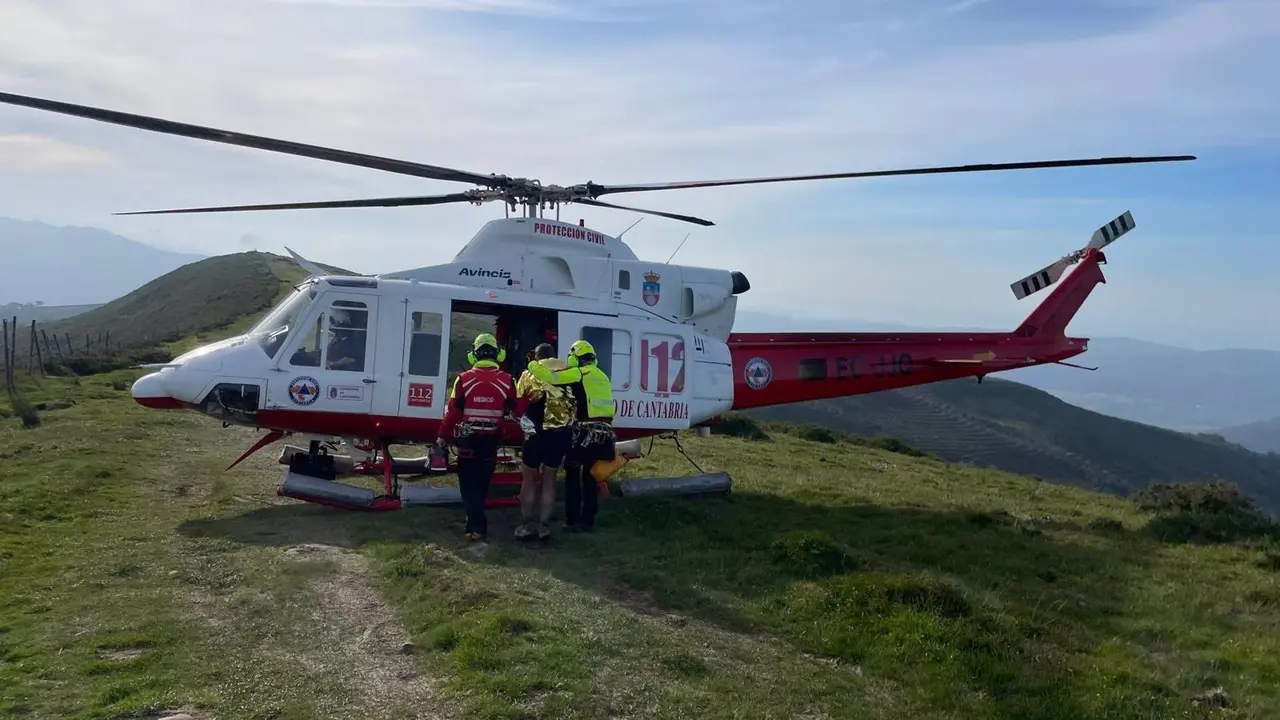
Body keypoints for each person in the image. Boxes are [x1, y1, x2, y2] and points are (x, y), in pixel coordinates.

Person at [526, 339, 616, 532]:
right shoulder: (602, 376)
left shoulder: (580, 373)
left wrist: (533, 362)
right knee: (591, 478)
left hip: (586, 432)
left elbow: (550, 378)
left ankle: (572, 520)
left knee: (572, 474)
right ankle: (588, 521)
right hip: (604, 433)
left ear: (575, 358)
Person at [437, 333, 516, 542]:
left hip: (468, 439)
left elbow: (452, 412)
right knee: (482, 483)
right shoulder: (508, 380)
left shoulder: (463, 379)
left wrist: (442, 437)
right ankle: (473, 522)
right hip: (491, 440)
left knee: (467, 484)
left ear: (474, 354)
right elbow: (515, 409)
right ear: (498, 354)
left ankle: (477, 527)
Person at [513, 343, 575, 541]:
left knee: (529, 479)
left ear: (537, 357)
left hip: (534, 434)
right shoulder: (569, 373)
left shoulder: (529, 374)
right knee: (549, 479)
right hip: (558, 435)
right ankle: (544, 526)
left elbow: (518, 406)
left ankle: (525, 524)